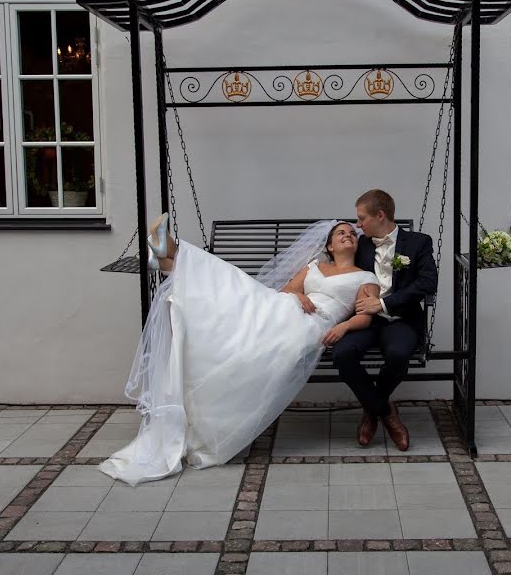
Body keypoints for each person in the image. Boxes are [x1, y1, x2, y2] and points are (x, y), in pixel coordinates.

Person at [99, 216, 380, 486]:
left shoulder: (365, 277)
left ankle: (166, 258)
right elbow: (285, 291)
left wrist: (342, 329)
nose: (347, 236)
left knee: (237, 307)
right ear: (329, 246)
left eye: (351, 233)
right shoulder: (314, 267)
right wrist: (299, 294)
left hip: (311, 326)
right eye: (340, 233)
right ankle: (169, 253)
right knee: (239, 293)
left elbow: (365, 315)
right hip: (283, 308)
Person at [332, 189, 438, 451]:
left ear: (380, 215)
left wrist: (382, 303)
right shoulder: (360, 244)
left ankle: (371, 409)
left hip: (401, 318)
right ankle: (383, 410)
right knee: (342, 354)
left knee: (399, 354)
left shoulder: (418, 242)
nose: (357, 225)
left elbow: (428, 281)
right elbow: (336, 267)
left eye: (361, 218)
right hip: (366, 320)